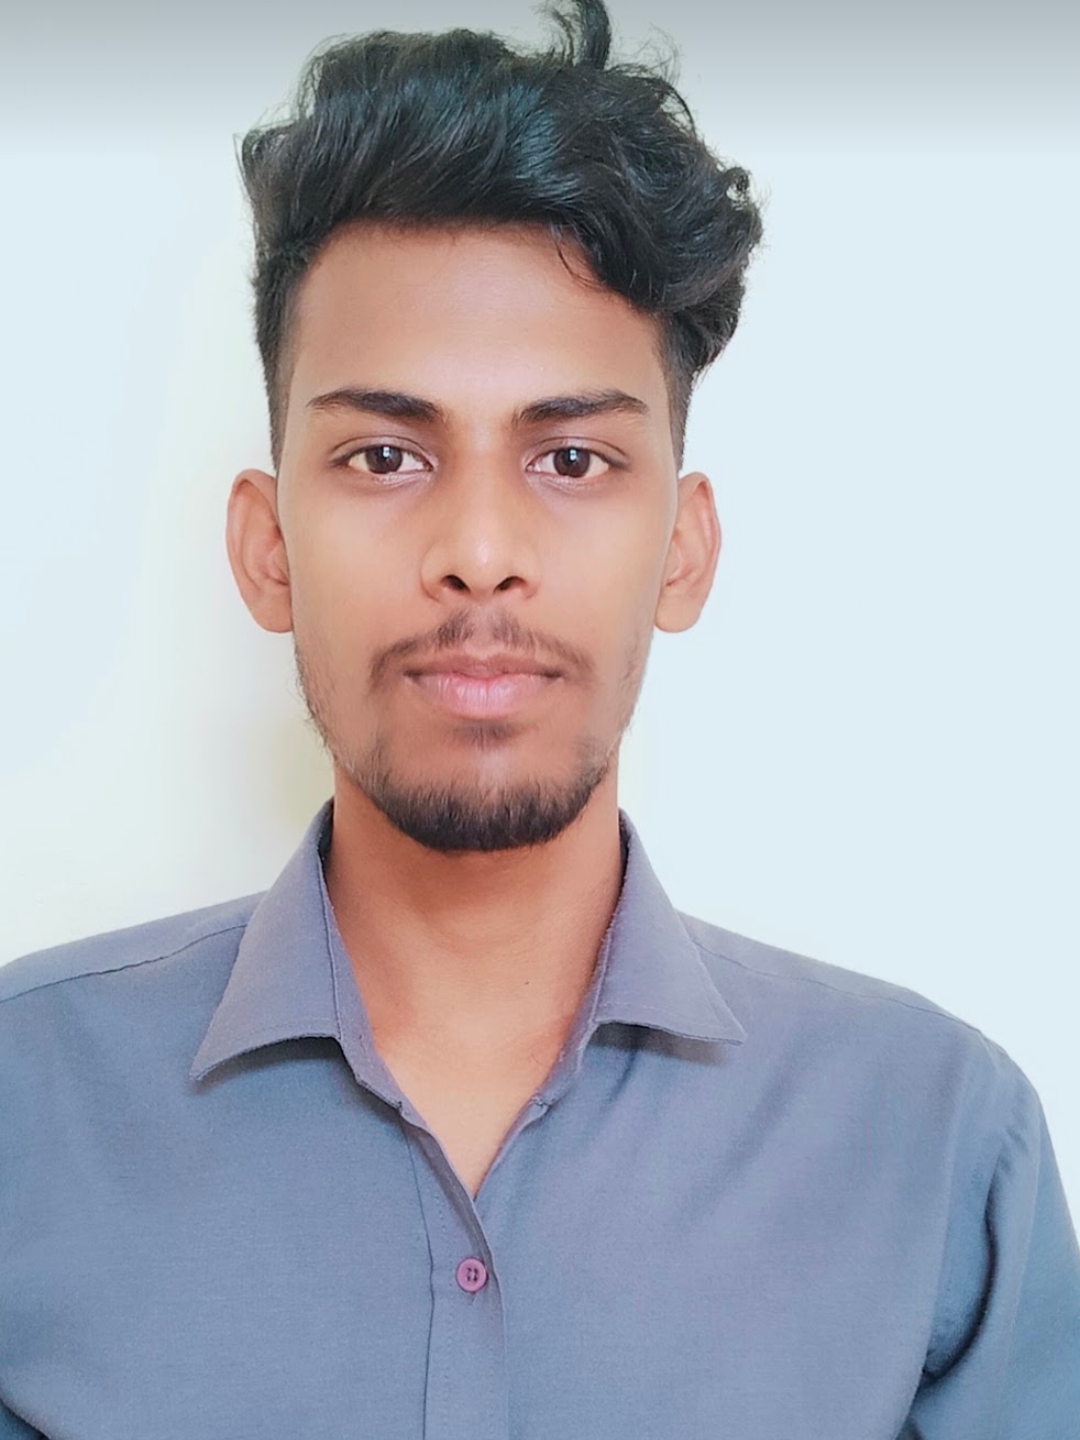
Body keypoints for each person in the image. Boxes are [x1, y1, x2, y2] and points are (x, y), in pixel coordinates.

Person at [1, 0, 1077, 1434]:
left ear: (683, 549)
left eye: (571, 459)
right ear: (265, 549)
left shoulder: (936, 1149)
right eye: (384, 455)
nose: (479, 551)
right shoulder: (23, 1113)